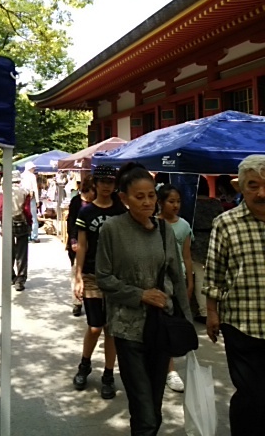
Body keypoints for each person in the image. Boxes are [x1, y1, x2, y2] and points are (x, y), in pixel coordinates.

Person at [96, 162, 191, 436]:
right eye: (140, 197)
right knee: (144, 408)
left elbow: (177, 275)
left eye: (151, 195)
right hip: (127, 329)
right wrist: (140, 295)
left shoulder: (165, 231)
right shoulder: (111, 230)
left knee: (154, 407)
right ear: (124, 199)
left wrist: (185, 320)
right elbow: (103, 278)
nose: (148, 202)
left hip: (160, 327)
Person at [203, 154, 265, 436]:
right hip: (242, 323)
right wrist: (212, 312)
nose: (261, 192)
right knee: (252, 395)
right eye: (253, 185)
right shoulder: (225, 223)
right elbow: (214, 273)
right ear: (239, 186)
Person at [72, 165, 126, 399]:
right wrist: (78, 276)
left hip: (116, 277)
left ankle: (108, 374)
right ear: (95, 183)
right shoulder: (86, 212)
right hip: (92, 275)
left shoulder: (121, 211)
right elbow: (82, 246)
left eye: (110, 181)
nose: (106, 185)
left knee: (111, 330)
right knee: (95, 326)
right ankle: (84, 365)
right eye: (102, 181)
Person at [157, 184, 193, 393]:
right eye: (171, 201)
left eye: (178, 201)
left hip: (177, 279)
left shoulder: (184, 226)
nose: (176, 205)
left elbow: (187, 256)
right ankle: (168, 368)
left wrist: (189, 280)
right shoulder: (154, 224)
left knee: (173, 322)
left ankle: (169, 366)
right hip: (160, 280)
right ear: (160, 203)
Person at [191, 176, 223, 323]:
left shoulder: (192, 204)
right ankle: (218, 308)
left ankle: (204, 311)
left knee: (199, 277)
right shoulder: (216, 204)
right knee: (216, 277)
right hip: (214, 239)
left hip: (196, 241)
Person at [65, 173, 96, 317]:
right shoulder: (76, 202)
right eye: (93, 191)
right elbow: (71, 223)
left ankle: (90, 298)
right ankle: (77, 302)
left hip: (93, 244)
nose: (93, 195)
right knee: (76, 270)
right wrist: (73, 241)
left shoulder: (96, 203)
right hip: (76, 243)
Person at [0, 170, 32, 291]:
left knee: (9, 250)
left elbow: (1, 209)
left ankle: (11, 276)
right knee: (22, 252)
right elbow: (27, 210)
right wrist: (30, 223)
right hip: (21, 222)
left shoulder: (3, 191)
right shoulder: (25, 191)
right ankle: (21, 279)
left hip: (8, 222)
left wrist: (1, 224)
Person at [21, 161, 40, 243]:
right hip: (31, 198)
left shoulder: (21, 176)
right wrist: (38, 200)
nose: (34, 169)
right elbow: (35, 188)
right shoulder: (32, 176)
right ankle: (34, 236)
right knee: (33, 217)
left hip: (22, 198)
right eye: (33, 168)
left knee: (25, 216)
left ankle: (26, 235)